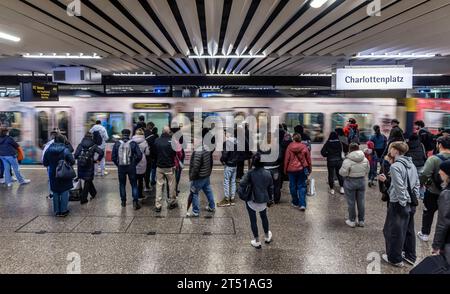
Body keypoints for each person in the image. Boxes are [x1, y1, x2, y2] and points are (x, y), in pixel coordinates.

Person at [381, 142, 419, 267]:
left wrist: (403, 202)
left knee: (392, 231)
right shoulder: (411, 164)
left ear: (395, 150)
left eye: (391, 148)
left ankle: (395, 259)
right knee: (408, 230)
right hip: (411, 203)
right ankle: (410, 256)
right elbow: (417, 184)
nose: (390, 151)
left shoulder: (395, 166)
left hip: (398, 203)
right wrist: (412, 199)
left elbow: (399, 187)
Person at [418, 136, 450, 242]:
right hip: (448, 193)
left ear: (439, 145)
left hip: (433, 191)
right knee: (445, 215)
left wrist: (421, 184)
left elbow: (425, 174)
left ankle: (425, 234)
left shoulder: (433, 159)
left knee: (428, 212)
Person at [240, 153, 273, 249]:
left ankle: (257, 241)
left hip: (251, 200)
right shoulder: (268, 173)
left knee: (253, 220)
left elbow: (242, 183)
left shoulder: (250, 173)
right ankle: (267, 237)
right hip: (263, 200)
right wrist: (270, 199)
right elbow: (270, 188)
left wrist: (249, 170)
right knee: (264, 217)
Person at [43, 134, 75, 217]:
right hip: (63, 172)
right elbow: (72, 161)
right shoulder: (65, 150)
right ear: (63, 141)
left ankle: (57, 211)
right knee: (64, 190)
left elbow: (45, 163)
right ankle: (63, 211)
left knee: (55, 191)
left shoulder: (48, 150)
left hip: (53, 173)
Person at [339, 143, 369, 228]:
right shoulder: (365, 159)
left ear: (350, 150)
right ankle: (361, 221)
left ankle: (352, 221)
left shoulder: (347, 160)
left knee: (351, 202)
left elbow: (342, 173)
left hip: (350, 182)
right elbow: (368, 170)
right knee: (361, 201)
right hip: (362, 181)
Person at [112, 129, 143, 210]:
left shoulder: (117, 143)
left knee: (122, 184)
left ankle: (123, 202)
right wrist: (134, 162)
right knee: (134, 184)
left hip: (121, 167)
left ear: (122, 134)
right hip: (131, 166)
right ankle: (135, 202)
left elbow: (113, 157)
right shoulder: (133, 143)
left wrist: (118, 165)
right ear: (129, 134)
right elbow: (139, 155)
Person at [187, 130, 215, 217]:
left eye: (195, 139)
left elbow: (195, 167)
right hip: (206, 174)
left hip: (199, 176)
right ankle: (212, 206)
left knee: (194, 192)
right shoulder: (207, 148)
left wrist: (192, 177)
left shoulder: (198, 151)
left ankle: (195, 211)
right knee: (208, 190)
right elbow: (210, 162)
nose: (193, 141)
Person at [74, 132, 104, 204]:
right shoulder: (93, 145)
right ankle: (83, 199)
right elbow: (101, 152)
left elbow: (75, 155)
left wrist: (80, 158)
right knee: (88, 180)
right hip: (89, 164)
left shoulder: (80, 145)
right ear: (91, 138)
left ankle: (93, 193)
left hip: (81, 165)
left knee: (88, 179)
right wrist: (97, 160)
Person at [154, 126, 179, 213]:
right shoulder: (172, 141)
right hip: (169, 167)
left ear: (162, 131)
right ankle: (171, 203)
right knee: (171, 185)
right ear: (168, 132)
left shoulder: (157, 140)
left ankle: (158, 205)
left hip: (159, 167)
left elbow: (154, 152)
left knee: (159, 185)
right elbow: (175, 153)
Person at [284, 133, 312, 211]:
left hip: (291, 170)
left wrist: (285, 169)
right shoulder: (304, 147)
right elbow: (308, 159)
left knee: (292, 186)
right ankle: (302, 204)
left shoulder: (289, 147)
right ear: (300, 139)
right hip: (302, 169)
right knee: (302, 186)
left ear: (293, 139)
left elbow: (286, 159)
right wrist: (309, 168)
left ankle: (295, 202)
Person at [431, 160, 450, 262]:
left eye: (442, 170)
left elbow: (443, 223)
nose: (439, 172)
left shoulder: (447, 194)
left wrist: (436, 245)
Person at [259, 134, 283, 205]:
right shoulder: (277, 146)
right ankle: (276, 200)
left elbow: (258, 157)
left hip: (265, 169)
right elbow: (280, 157)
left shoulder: (261, 146)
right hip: (275, 169)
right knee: (276, 185)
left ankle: (267, 199)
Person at [218, 131, 240, 207]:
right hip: (235, 165)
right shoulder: (237, 142)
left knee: (226, 181)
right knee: (233, 181)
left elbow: (225, 154)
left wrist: (222, 160)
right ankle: (233, 198)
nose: (225, 134)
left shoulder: (227, 143)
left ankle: (227, 199)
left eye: (226, 133)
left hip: (229, 165)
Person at [132, 129, 150, 199]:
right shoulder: (145, 142)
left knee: (134, 181)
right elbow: (147, 153)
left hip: (134, 162)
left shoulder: (132, 141)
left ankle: (134, 196)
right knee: (140, 180)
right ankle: (140, 195)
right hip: (142, 161)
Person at [144, 122, 155, 191]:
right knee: (148, 171)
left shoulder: (142, 134)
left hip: (140, 156)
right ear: (151, 127)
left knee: (140, 172)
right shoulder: (151, 136)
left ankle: (140, 186)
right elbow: (153, 148)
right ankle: (147, 186)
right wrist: (153, 157)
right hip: (148, 156)